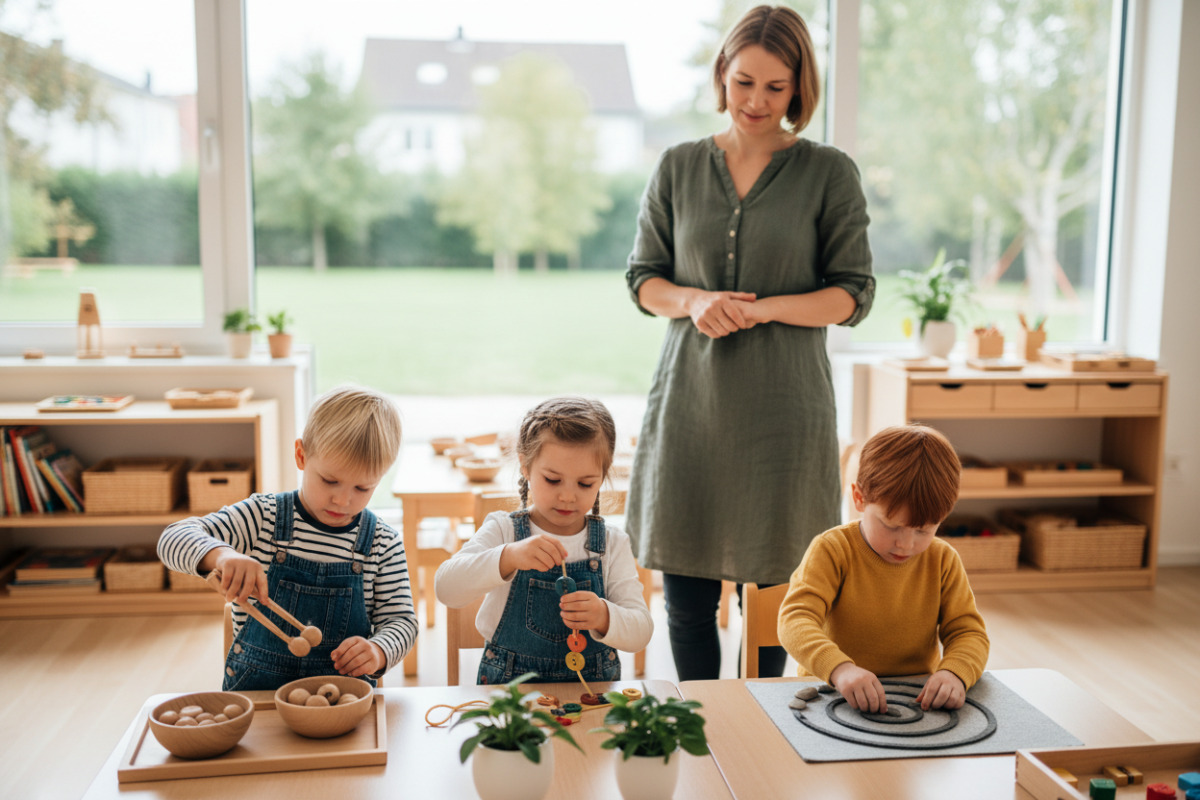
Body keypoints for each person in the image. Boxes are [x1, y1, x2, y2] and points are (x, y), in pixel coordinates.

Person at [624, 4, 875, 680]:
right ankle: (702, 723)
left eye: (775, 86)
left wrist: (763, 310)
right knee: (686, 601)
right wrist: (695, 301)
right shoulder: (677, 166)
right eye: (743, 82)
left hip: (783, 412)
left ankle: (758, 725)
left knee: (772, 601)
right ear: (721, 76)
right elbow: (644, 280)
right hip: (692, 407)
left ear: (799, 88)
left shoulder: (829, 173)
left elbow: (853, 294)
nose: (756, 101)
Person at [158, 385, 416, 691]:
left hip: (343, 703)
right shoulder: (262, 517)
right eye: (329, 480)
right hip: (259, 697)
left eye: (363, 488)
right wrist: (222, 555)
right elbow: (172, 538)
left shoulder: (382, 544)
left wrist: (378, 650)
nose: (343, 500)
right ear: (301, 455)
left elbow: (402, 622)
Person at [435, 396, 652, 685]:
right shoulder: (504, 530)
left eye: (585, 483)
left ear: (603, 476)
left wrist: (604, 615)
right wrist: (507, 557)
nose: (567, 496)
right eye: (552, 479)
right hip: (510, 695)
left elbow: (641, 631)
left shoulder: (612, 544)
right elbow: (446, 588)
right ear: (525, 466)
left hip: (590, 698)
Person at [778, 425, 990, 712]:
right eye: (891, 526)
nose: (905, 544)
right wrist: (840, 669)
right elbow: (795, 619)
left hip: (916, 701)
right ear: (859, 498)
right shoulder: (832, 549)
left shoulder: (943, 560)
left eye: (923, 530)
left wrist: (955, 672)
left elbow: (969, 633)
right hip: (830, 694)